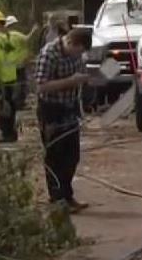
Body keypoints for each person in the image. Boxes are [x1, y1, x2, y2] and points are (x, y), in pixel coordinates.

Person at [35, 27, 92, 213]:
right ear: (71, 43)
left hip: (70, 109)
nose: (79, 56)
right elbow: (41, 86)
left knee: (72, 156)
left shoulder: (77, 56)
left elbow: (81, 76)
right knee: (54, 157)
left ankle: (67, 196)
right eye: (79, 51)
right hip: (51, 110)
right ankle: (57, 199)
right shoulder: (49, 54)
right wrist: (71, 81)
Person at [0, 10, 28, 143]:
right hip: (12, 78)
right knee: (10, 108)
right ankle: (11, 134)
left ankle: (7, 135)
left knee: (2, 109)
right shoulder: (12, 36)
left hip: (1, 80)